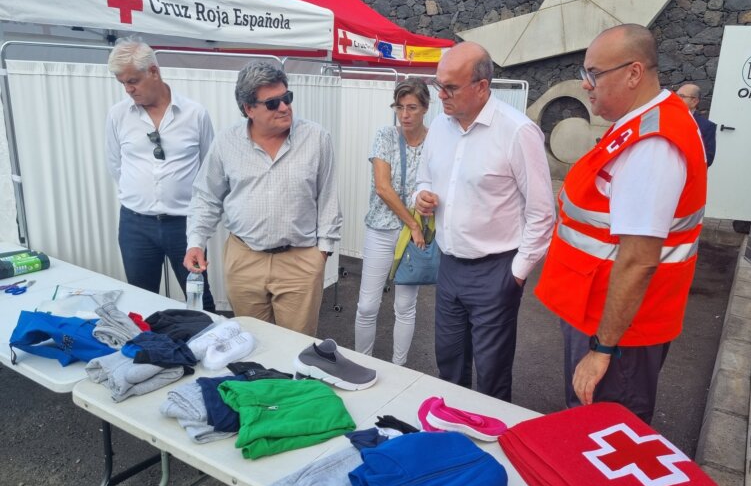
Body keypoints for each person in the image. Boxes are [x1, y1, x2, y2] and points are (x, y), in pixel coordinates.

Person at [535, 24, 707, 423]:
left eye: (594, 73)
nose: (585, 84)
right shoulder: (643, 122)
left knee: (604, 429)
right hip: (603, 316)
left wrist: (603, 349)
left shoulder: (653, 143)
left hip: (618, 333)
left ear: (633, 73)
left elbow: (639, 259)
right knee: (592, 426)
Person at [414, 41, 555, 402]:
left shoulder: (517, 131)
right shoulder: (440, 126)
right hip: (449, 266)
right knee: (449, 367)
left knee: (492, 376)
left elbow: (542, 213)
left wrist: (516, 274)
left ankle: (492, 433)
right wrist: (422, 194)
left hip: (496, 269)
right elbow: (424, 176)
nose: (440, 95)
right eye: (438, 85)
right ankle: (451, 430)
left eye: (450, 87)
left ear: (481, 86)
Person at [183, 61, 341, 336]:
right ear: (249, 109)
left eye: (287, 98)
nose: (284, 107)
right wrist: (196, 242)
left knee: (296, 344)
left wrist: (321, 255)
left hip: (300, 261)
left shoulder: (316, 138)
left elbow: (328, 198)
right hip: (245, 260)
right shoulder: (226, 142)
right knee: (251, 342)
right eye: (272, 103)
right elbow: (206, 196)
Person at [106, 37, 215, 311]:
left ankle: (210, 338)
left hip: (184, 225)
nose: (128, 89)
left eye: (133, 81)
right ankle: (150, 341)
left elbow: (209, 170)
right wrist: (141, 195)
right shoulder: (118, 115)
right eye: (122, 83)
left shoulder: (195, 114)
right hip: (135, 225)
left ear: (153, 71)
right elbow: (115, 164)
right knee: (142, 301)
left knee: (199, 299)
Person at [354, 78, 430, 366]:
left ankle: (400, 368)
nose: (404, 115)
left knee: (405, 306)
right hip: (383, 230)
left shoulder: (435, 142)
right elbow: (383, 188)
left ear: (425, 108)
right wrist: (413, 224)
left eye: (412, 107)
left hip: (413, 236)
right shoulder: (385, 136)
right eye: (399, 107)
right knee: (367, 305)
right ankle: (363, 364)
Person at [677, 83, 716, 167]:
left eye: (682, 96)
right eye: (676, 95)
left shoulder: (706, 126)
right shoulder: (665, 118)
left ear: (694, 101)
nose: (676, 99)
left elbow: (708, 159)